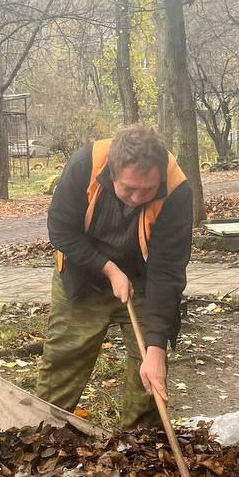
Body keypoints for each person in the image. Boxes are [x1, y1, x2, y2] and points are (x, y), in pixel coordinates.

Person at [37, 124, 193, 428]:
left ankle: (139, 443)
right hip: (83, 276)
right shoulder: (85, 166)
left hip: (144, 283)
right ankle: (43, 433)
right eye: (129, 189)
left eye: (148, 190)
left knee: (148, 373)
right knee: (63, 361)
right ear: (112, 174)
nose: (137, 198)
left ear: (160, 176)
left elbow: (167, 269)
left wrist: (156, 349)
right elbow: (61, 230)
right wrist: (109, 268)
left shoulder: (177, 190)